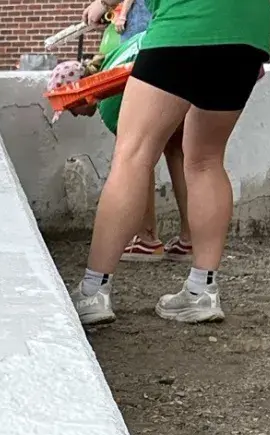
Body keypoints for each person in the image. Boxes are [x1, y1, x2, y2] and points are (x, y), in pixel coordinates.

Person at [70, 0, 270, 327]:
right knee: (206, 159)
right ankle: (201, 291)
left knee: (133, 153)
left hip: (185, 23)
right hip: (248, 32)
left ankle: (93, 291)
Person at [77, 0, 192, 262]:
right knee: (179, 145)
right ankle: (190, 239)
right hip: (183, 31)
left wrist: (104, 3)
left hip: (147, 32)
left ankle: (145, 237)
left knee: (137, 141)